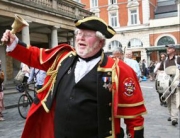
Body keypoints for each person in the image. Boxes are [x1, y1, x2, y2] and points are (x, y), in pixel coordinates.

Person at [1, 16, 147, 138]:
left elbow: (135, 118)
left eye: (87, 35)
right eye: (78, 34)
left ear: (101, 42)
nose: (80, 38)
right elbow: (36, 56)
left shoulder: (120, 70)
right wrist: (13, 42)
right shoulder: (63, 57)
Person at [158, 44, 179, 126]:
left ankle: (174, 118)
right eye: (167, 48)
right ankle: (171, 115)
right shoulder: (165, 60)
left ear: (174, 49)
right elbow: (159, 70)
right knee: (168, 101)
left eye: (169, 48)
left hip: (175, 82)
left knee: (174, 100)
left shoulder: (178, 59)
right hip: (166, 83)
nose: (167, 49)